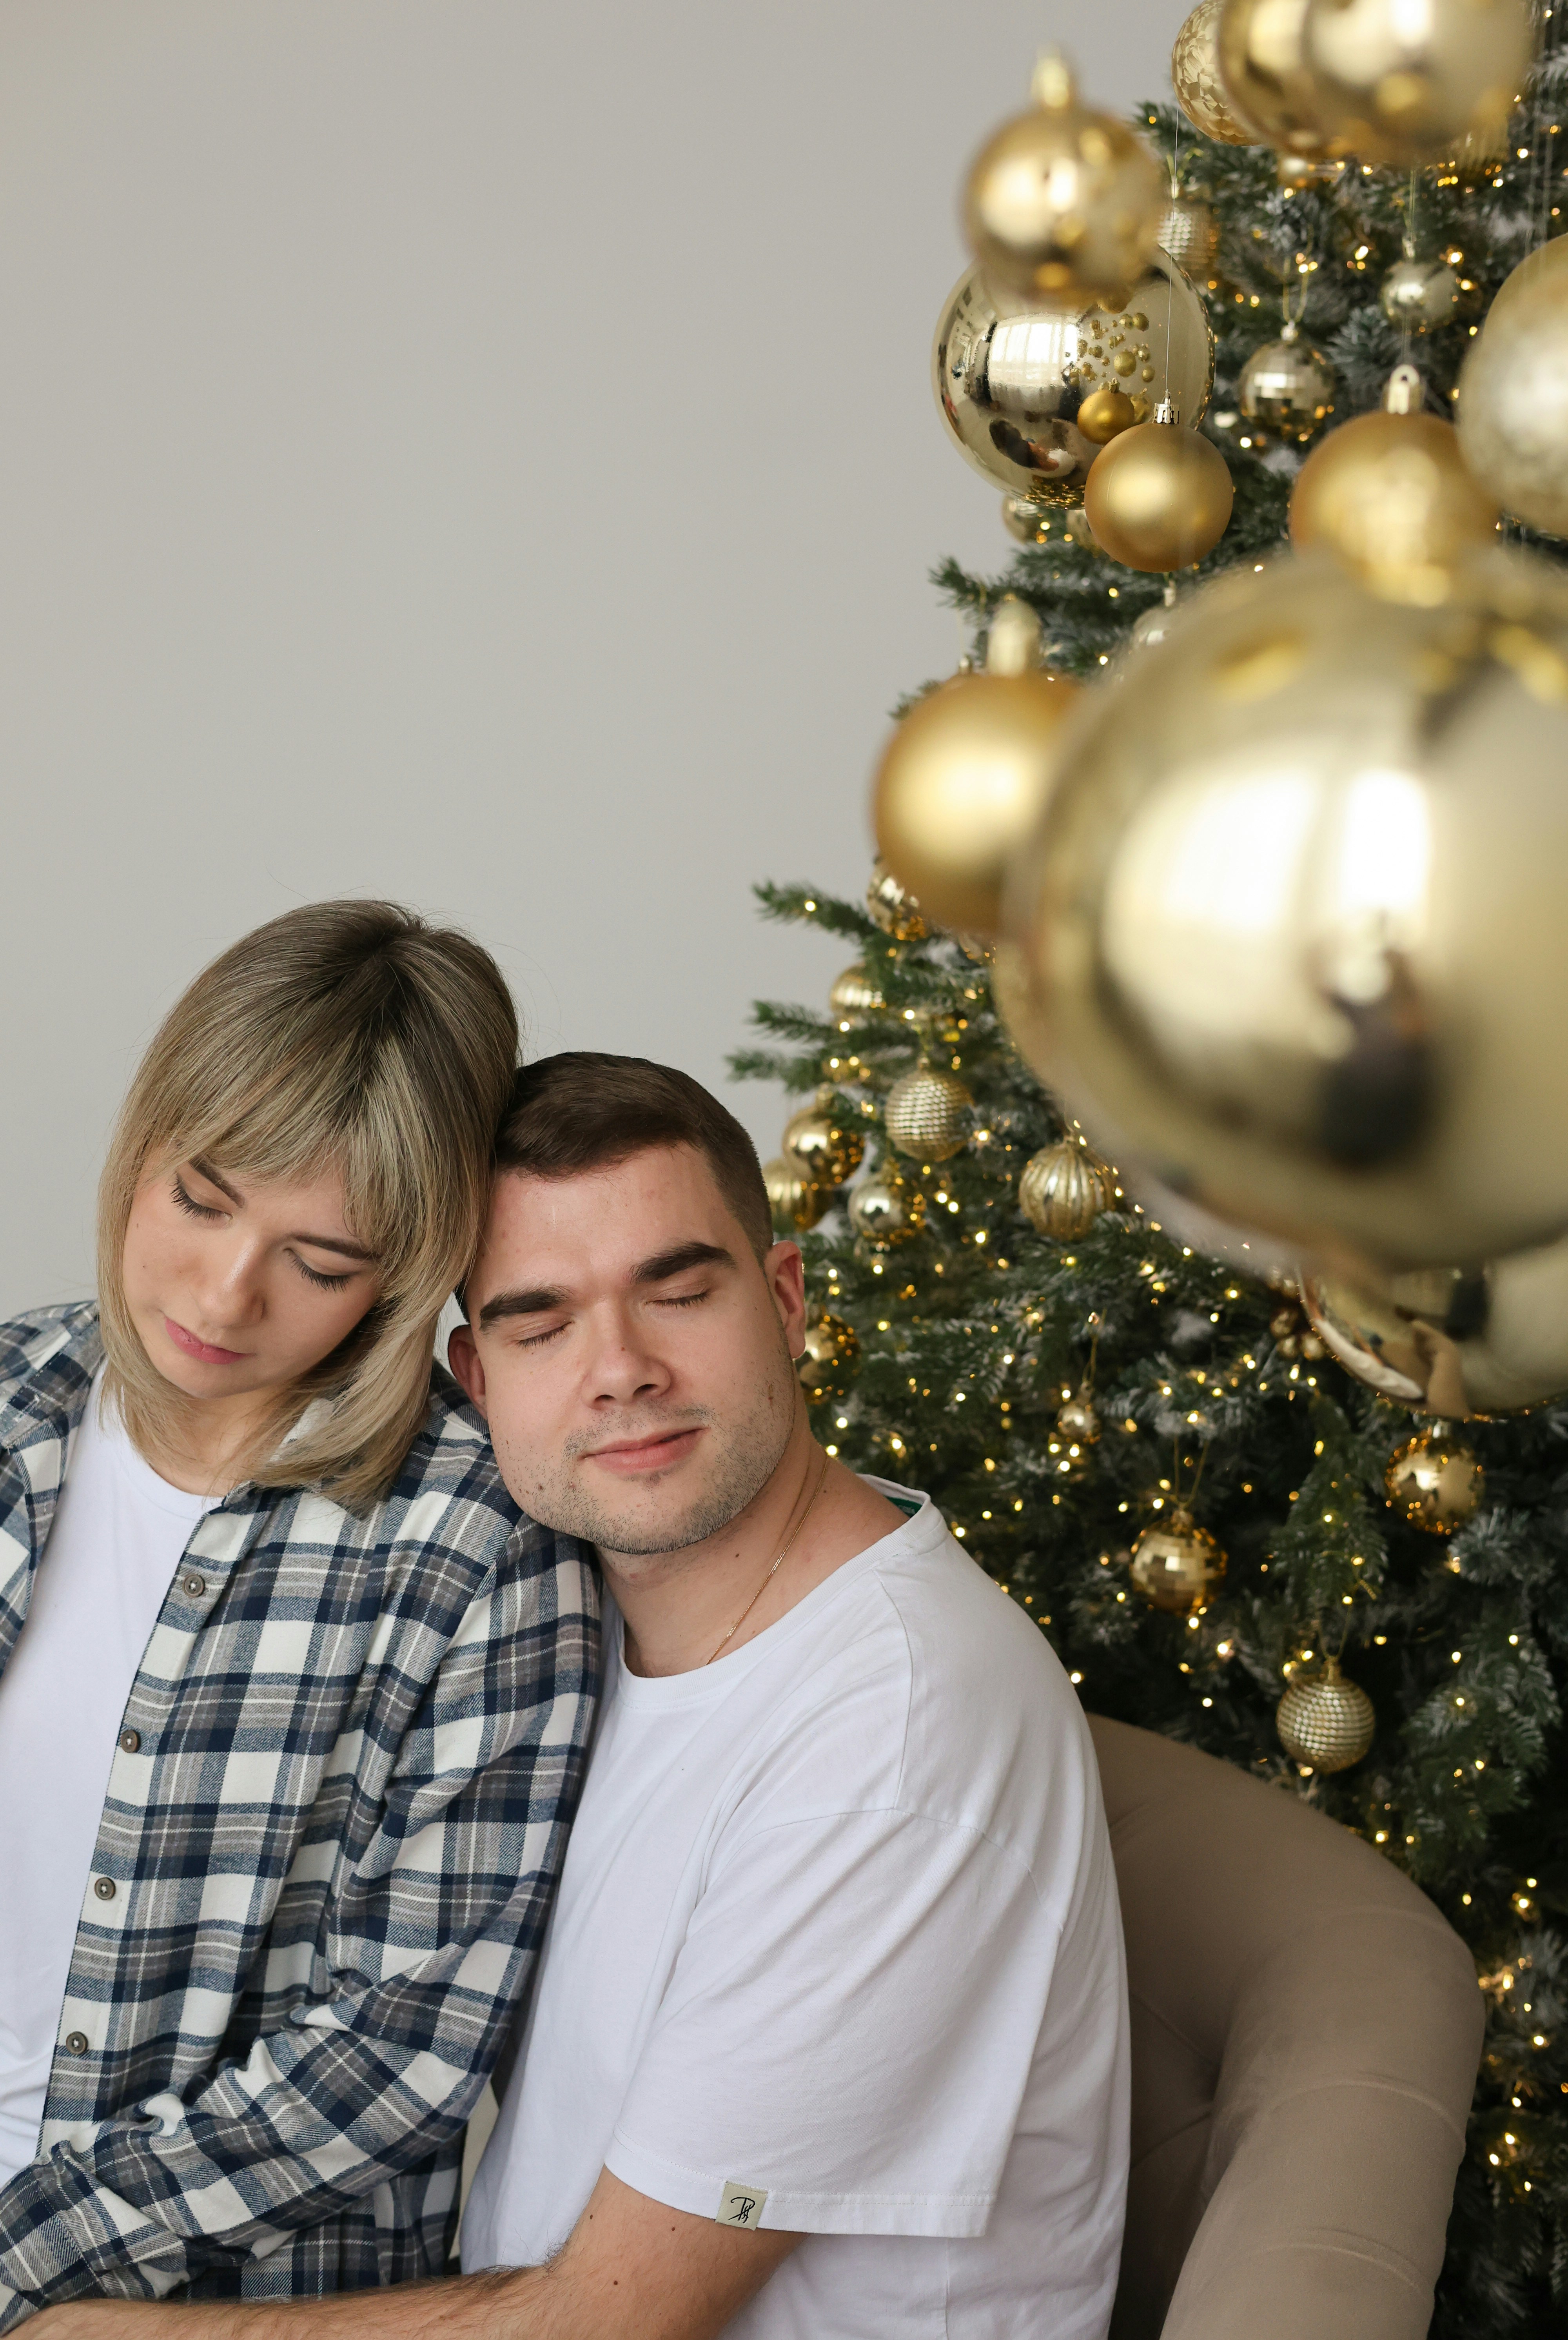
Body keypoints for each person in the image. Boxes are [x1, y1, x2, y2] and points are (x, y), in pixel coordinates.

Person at [40, 1051, 1127, 2340]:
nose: (620, 1371)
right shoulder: (563, 1640)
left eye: (676, 1293)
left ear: (785, 1299)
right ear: (474, 1378)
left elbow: (601, 2324)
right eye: (542, 1322)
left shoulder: (893, 1736)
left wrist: (73, 2326)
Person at [0, 907, 597, 2332]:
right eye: (201, 1200)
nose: (223, 1294)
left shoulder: (479, 1549)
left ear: (407, 1271)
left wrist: (20, 2251)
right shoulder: (15, 1401)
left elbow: (404, 2052)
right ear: (144, 1140)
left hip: (164, 2305)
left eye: (320, 1260)